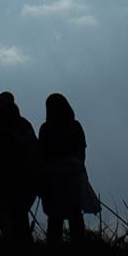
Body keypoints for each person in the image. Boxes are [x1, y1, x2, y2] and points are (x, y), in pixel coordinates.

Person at [0, 92, 40, 243]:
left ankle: (15, 249)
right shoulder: (23, 124)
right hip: (21, 181)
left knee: (5, 218)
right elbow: (35, 150)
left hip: (2, 180)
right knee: (19, 218)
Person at [38, 93, 88, 245]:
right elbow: (81, 152)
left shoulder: (46, 128)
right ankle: (79, 249)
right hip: (72, 174)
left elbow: (41, 154)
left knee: (55, 217)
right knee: (74, 215)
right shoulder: (75, 126)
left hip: (54, 177)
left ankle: (55, 252)